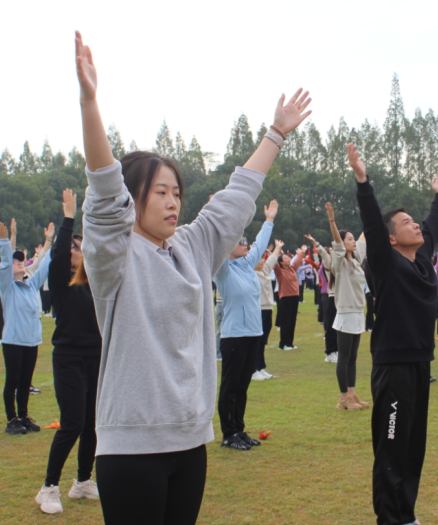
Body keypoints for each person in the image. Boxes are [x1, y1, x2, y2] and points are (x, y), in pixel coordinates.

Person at [74, 30, 311, 524]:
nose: (172, 200)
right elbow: (103, 192)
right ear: (133, 199)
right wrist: (90, 102)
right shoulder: (114, 257)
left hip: (190, 440)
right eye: (159, 191)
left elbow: (237, 196)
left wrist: (276, 134)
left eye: (176, 191)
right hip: (131, 445)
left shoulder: (193, 247)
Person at [349, 142, 438, 525]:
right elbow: (374, 224)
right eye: (406, 222)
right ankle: (389, 518)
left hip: (421, 366)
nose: (415, 225)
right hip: (393, 371)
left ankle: (405, 514)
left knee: (412, 448)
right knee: (391, 450)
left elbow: (435, 225)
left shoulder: (422, 261)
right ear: (392, 239)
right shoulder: (386, 264)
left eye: (414, 220)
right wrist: (363, 181)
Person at [36, 189, 103, 515]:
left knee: (92, 423)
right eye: (75, 247)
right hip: (68, 358)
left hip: (96, 358)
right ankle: (48, 487)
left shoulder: (94, 284)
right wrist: (68, 219)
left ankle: (83, 481)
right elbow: (60, 253)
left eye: (81, 246)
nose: (77, 250)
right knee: (73, 422)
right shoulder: (63, 281)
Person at [215, 200, 278, 450]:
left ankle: (239, 430)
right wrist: (220, 222)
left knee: (243, 385)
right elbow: (218, 246)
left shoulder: (246, 265)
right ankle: (228, 433)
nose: (246, 244)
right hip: (234, 336)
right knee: (230, 386)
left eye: (245, 241)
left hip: (252, 334)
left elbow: (261, 244)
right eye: (240, 241)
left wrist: (269, 220)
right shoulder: (223, 270)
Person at [0, 220, 53, 435]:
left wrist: (52, 241)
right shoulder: (8, 286)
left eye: (21, 261)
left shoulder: (30, 285)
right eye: (16, 262)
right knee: (13, 381)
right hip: (13, 341)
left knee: (26, 381)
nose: (19, 263)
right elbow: (4, 264)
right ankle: (12, 420)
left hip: (31, 342)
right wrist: (6, 240)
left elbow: (45, 264)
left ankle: (24, 417)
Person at [325, 202, 370, 410]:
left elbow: (364, 236)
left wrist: (371, 213)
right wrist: (332, 220)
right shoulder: (340, 262)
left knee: (352, 358)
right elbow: (337, 241)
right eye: (349, 239)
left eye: (352, 239)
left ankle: (352, 395)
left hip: (358, 313)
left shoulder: (357, 258)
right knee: (343, 358)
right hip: (345, 313)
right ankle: (343, 399)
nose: (353, 241)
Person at [253, 240, 284, 380]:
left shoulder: (264, 270)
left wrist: (277, 248)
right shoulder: (250, 273)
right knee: (256, 341)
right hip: (257, 310)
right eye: (258, 260)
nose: (261, 261)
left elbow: (271, 259)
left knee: (263, 341)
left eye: (261, 259)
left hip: (267, 309)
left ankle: (261, 367)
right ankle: (253, 369)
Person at [307, 236, 338, 362]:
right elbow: (324, 255)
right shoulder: (328, 263)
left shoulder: (343, 262)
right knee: (330, 325)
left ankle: (337, 350)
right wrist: (317, 244)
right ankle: (330, 352)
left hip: (341, 298)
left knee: (339, 327)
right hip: (330, 295)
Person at [274, 246, 305, 350]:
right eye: (285, 258)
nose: (288, 259)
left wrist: (303, 251)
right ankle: (283, 344)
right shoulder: (279, 270)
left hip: (295, 297)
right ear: (281, 262)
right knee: (286, 322)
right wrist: (277, 249)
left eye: (288, 258)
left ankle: (290, 343)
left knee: (292, 321)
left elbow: (298, 260)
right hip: (285, 298)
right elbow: (274, 261)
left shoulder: (292, 269)